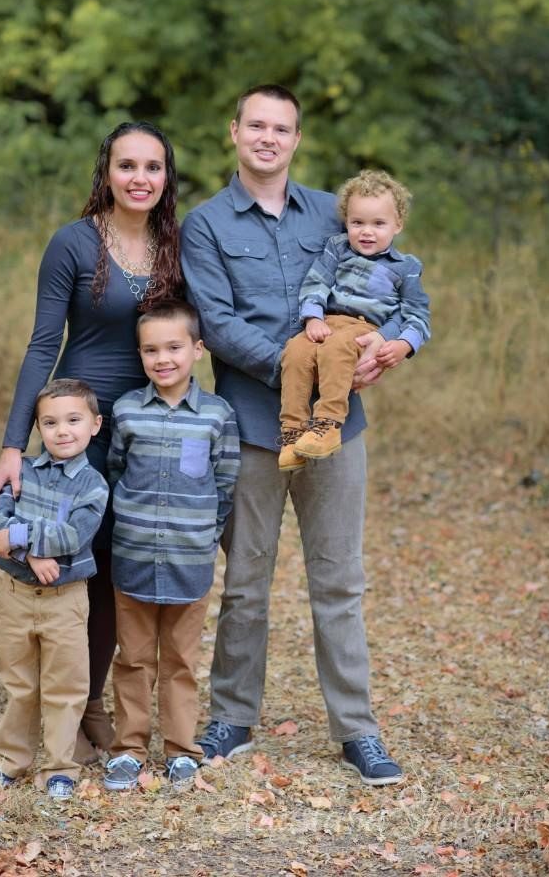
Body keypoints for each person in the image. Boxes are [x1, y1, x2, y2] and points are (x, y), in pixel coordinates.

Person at [180, 84, 408, 786]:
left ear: (296, 139)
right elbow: (216, 325)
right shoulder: (207, 224)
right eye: (257, 125)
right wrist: (297, 369)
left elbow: (387, 288)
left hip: (338, 430)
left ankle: (356, 730)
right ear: (235, 131)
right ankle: (232, 717)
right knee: (246, 582)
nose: (269, 138)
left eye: (282, 128)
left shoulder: (333, 216)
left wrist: (383, 347)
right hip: (252, 427)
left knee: (339, 581)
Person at [0, 122, 184, 765]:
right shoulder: (73, 243)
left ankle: (97, 699)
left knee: (122, 569)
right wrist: (16, 444)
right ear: (106, 172)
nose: (139, 178)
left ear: (166, 177)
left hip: (149, 426)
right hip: (82, 429)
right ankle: (68, 712)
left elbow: (186, 338)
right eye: (127, 165)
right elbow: (44, 344)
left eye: (152, 167)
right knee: (79, 569)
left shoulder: (174, 243)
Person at [101, 300, 240, 791]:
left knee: (181, 659)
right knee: (134, 658)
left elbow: (225, 484)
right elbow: (117, 471)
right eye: (151, 350)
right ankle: (128, 749)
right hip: (134, 556)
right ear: (140, 356)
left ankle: (182, 749)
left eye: (174, 347)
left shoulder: (217, 416)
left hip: (189, 559)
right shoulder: (126, 411)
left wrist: (203, 532)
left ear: (198, 351)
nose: (163, 359)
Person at [0, 379, 109, 800]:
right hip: (16, 595)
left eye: (73, 420)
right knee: (19, 683)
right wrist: (31, 554)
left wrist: (20, 535)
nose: (62, 430)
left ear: (95, 424)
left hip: (65, 601)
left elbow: (74, 536)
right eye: (50, 422)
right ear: (38, 427)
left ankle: (60, 768)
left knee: (65, 685)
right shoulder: (24, 473)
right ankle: (10, 761)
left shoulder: (93, 485)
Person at [278, 169, 430, 469]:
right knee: (294, 352)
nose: (366, 232)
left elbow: (418, 313)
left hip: (362, 328)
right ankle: (293, 432)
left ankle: (327, 425)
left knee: (336, 350)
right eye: (357, 222)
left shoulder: (405, 267)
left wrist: (403, 345)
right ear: (346, 221)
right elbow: (316, 282)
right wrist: (312, 318)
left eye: (379, 224)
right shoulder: (337, 248)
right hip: (327, 321)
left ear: (397, 225)